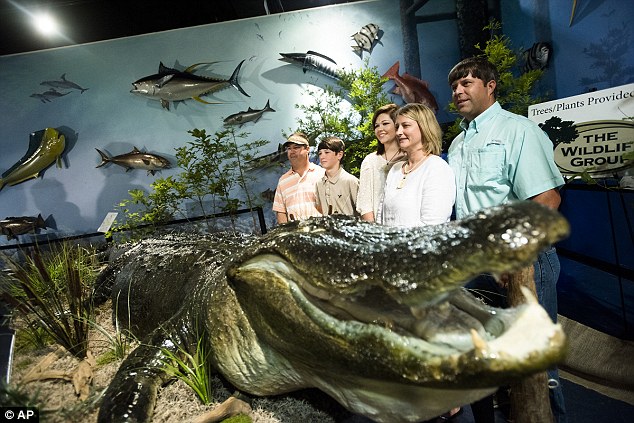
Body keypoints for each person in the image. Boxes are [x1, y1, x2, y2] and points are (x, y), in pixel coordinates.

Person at [447, 57, 566, 422]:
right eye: (454, 86)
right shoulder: (457, 144)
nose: (458, 91)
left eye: (466, 83)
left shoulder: (518, 130)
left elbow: (547, 201)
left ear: (490, 84)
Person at [377, 103, 455, 227]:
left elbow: (433, 227)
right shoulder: (395, 170)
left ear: (424, 127)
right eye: (397, 127)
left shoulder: (436, 168)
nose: (398, 132)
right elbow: (380, 218)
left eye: (405, 126)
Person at [356, 103, 405, 222]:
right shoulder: (370, 161)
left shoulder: (410, 158)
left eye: (385, 124)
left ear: (397, 125)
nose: (380, 129)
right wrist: (374, 230)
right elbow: (364, 202)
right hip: (376, 228)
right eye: (376, 126)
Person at [272, 132, 325, 224]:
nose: (292, 151)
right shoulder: (283, 181)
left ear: (307, 149)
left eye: (296, 147)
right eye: (289, 148)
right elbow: (281, 212)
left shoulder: (322, 174)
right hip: (296, 235)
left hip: (321, 232)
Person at [315, 136, 360, 216]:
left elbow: (362, 211)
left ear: (339, 155)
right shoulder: (319, 183)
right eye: (320, 153)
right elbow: (319, 209)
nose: (322, 156)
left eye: (327, 152)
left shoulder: (351, 181)